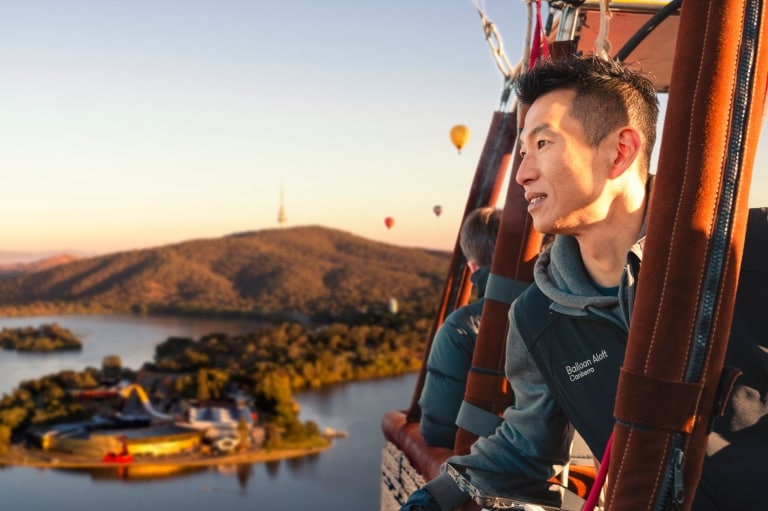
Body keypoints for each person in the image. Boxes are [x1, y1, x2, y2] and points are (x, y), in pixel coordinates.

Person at [400, 55, 767, 511]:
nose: (521, 173)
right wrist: (430, 500)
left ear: (620, 151)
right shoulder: (537, 317)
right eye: (523, 150)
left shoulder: (751, 251)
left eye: (544, 143)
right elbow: (523, 446)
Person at [418, 206, 502, 448]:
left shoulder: (460, 329)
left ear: (472, 267)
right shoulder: (561, 308)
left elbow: (438, 431)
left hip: (497, 460)